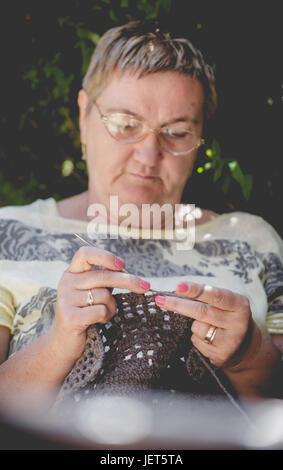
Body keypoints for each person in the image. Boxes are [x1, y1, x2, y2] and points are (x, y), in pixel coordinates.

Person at [0, 21, 283, 412]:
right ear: (84, 117)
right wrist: (57, 344)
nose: (149, 156)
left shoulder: (254, 241)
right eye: (126, 125)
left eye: (178, 133)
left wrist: (248, 354)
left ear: (200, 136)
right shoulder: (9, 233)